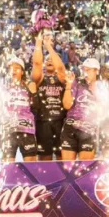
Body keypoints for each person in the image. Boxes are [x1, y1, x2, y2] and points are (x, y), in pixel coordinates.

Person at [31, 33, 67, 161]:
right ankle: (46, 181)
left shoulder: (62, 78)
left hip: (61, 121)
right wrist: (39, 42)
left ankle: (64, 181)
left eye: (52, 59)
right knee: (45, 157)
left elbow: (61, 68)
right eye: (47, 60)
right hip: (43, 122)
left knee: (62, 157)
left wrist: (49, 47)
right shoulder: (40, 78)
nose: (50, 60)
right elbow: (36, 63)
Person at [61, 58, 100, 160]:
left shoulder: (103, 86)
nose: (85, 72)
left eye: (88, 70)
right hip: (70, 127)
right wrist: (69, 84)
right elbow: (67, 105)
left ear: (97, 71)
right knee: (67, 168)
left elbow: (105, 110)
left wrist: (96, 92)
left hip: (89, 129)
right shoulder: (76, 83)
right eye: (84, 69)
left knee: (85, 168)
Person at [3, 57, 38, 162]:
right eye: (11, 68)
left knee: (31, 167)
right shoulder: (2, 86)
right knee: (7, 168)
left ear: (22, 71)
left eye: (17, 68)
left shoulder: (29, 85)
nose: (13, 70)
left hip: (26, 129)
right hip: (7, 130)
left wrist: (34, 93)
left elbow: (36, 107)